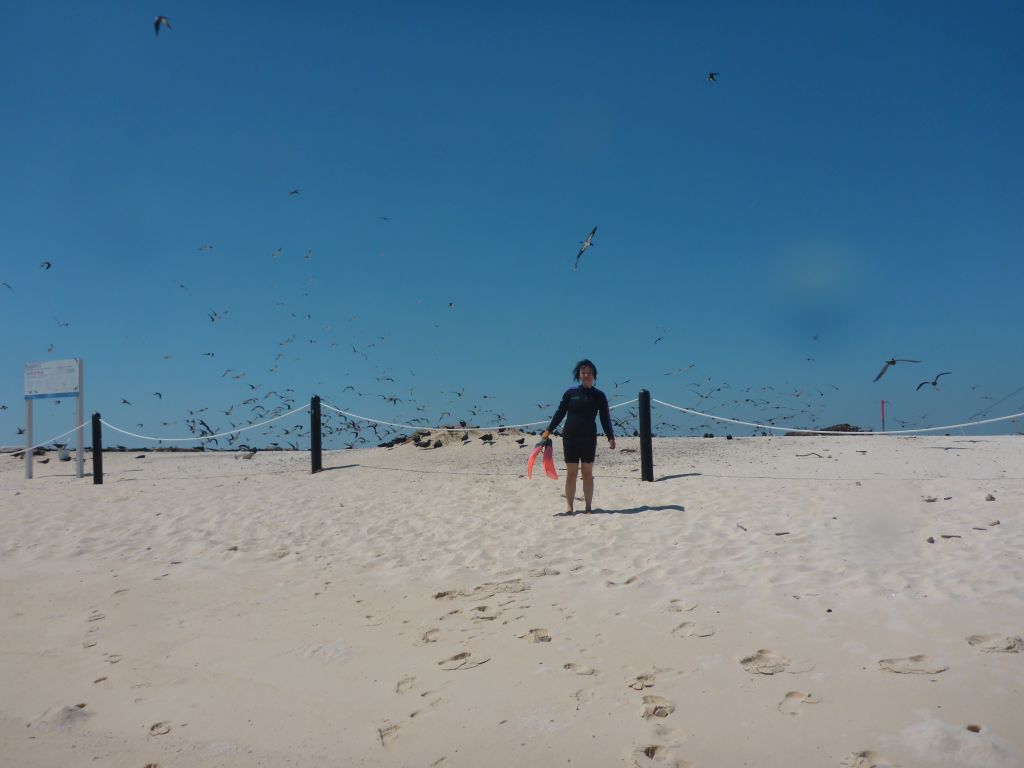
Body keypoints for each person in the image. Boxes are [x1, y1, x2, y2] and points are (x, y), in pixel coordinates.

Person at [542, 359, 616, 514]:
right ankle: (570, 507)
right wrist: (548, 430)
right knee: (572, 473)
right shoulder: (570, 393)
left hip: (589, 438)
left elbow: (605, 417)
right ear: (579, 375)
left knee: (587, 473)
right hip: (570, 438)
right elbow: (560, 413)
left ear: (594, 376)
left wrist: (610, 436)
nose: (586, 375)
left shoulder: (599, 396)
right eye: (583, 373)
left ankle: (588, 507)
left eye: (589, 373)